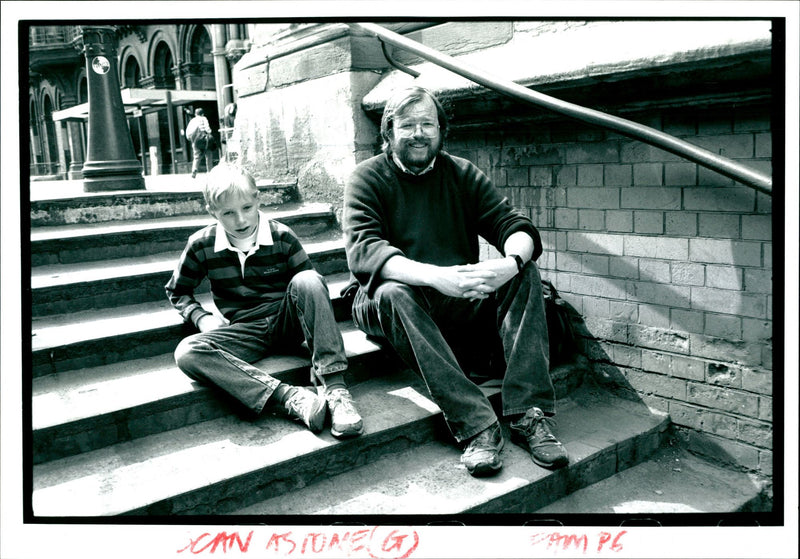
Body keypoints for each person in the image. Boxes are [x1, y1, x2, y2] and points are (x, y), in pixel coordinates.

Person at [343, 86, 568, 477]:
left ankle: (528, 413)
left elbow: (514, 225)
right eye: (407, 125)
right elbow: (365, 252)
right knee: (394, 292)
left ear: (441, 130)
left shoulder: (462, 173)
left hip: (455, 294)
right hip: (386, 298)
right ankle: (477, 425)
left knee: (525, 272)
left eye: (427, 124)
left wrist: (510, 262)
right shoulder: (366, 178)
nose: (418, 133)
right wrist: (437, 277)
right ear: (388, 132)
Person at [166, 163, 363, 438]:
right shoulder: (201, 244)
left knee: (309, 279)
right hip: (245, 330)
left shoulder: (282, 236)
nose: (241, 220)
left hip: (287, 321)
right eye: (228, 213)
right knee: (187, 352)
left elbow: (311, 293)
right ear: (212, 212)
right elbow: (177, 290)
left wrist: (314, 334)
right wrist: (201, 317)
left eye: (247, 208)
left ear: (258, 198)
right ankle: (291, 398)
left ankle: (335, 388)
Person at [185, 108, 215, 178]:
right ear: (202, 114)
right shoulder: (204, 118)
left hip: (196, 141)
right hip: (205, 140)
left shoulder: (192, 120)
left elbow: (189, 133)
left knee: (196, 156)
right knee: (208, 155)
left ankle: (194, 169)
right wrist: (210, 131)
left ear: (195, 114)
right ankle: (209, 172)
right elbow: (208, 129)